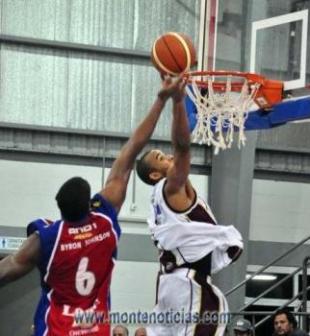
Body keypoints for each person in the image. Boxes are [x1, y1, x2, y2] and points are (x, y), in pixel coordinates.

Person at [0, 77, 184, 336]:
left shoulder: (46, 238)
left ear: (60, 210)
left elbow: (6, 270)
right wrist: (161, 99)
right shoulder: (104, 223)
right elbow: (131, 152)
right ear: (89, 205)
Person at [136, 75, 243, 336]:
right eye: (161, 158)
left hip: (167, 285)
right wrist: (178, 101)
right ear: (154, 175)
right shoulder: (171, 187)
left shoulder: (156, 204)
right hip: (186, 285)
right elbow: (183, 147)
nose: (169, 156)